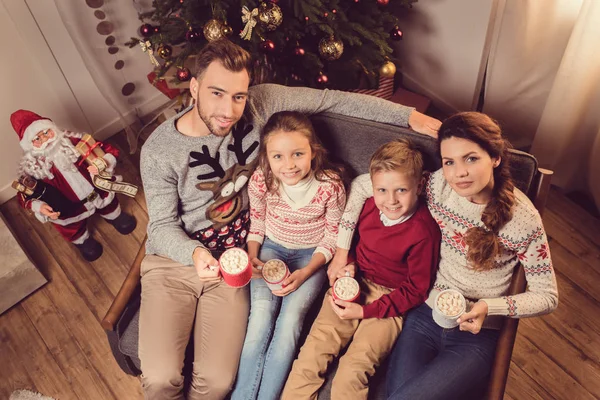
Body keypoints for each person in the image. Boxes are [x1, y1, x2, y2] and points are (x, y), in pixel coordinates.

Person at [138, 38, 441, 400]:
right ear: (194, 87)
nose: (229, 110)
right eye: (217, 93)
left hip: (236, 261)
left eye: (239, 96)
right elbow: (160, 226)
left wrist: (408, 117)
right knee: (160, 379)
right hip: (177, 259)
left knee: (217, 382)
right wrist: (195, 254)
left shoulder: (261, 104)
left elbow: (334, 99)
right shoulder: (159, 150)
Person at [332, 112, 559, 400]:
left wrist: (490, 307)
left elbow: (547, 296)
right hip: (426, 314)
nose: (459, 173)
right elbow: (367, 183)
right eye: (449, 161)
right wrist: (342, 250)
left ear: (495, 157)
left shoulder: (524, 220)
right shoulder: (438, 187)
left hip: (476, 334)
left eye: (471, 158)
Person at [281, 139, 441, 400]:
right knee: (312, 354)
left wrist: (367, 311)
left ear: (419, 186)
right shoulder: (367, 208)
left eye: (401, 190)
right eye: (382, 190)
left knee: (353, 370)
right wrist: (351, 263)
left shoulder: (424, 231)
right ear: (372, 188)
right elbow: (354, 245)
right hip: (355, 284)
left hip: (391, 302)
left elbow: (416, 289)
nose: (391, 200)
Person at [230, 111, 347, 400]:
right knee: (260, 317)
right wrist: (254, 256)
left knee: (290, 321)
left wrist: (307, 272)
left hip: (312, 257)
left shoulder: (330, 186)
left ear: (313, 152)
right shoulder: (261, 181)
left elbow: (333, 236)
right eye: (278, 156)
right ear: (267, 157)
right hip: (271, 248)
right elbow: (257, 223)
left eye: (297, 154)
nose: (289, 165)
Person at [10, 109, 137, 261]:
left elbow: (105, 150)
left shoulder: (74, 142)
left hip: (97, 189)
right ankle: (83, 241)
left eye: (46, 132)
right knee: (71, 227)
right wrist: (39, 206)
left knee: (108, 203)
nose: (45, 140)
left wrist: (102, 162)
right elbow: (24, 194)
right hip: (68, 206)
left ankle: (114, 216)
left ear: (53, 128)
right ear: (29, 145)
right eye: (37, 138)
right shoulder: (32, 167)